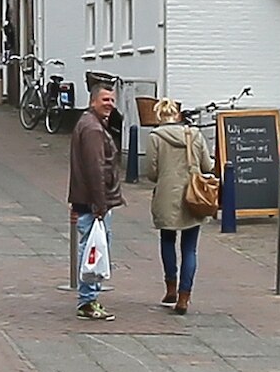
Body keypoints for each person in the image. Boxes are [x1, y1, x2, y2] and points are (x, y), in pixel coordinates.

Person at [134, 98, 213, 315]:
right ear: (177, 116)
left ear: (159, 117)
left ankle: (170, 288)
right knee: (190, 248)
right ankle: (184, 297)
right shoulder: (194, 135)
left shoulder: (155, 138)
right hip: (193, 195)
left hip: (167, 196)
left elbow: (151, 172)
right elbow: (207, 165)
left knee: (167, 240)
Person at [65, 84, 124, 317]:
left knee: (92, 249)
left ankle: (90, 297)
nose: (109, 104)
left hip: (86, 201)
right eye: (105, 100)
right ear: (93, 101)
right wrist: (100, 205)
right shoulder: (93, 130)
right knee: (93, 250)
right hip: (93, 203)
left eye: (112, 100)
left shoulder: (90, 123)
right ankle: (88, 300)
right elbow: (95, 168)